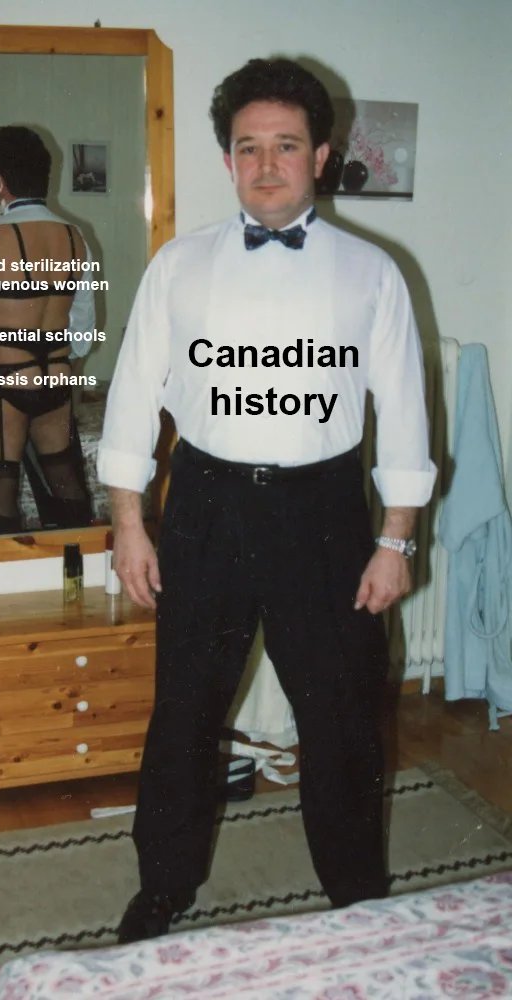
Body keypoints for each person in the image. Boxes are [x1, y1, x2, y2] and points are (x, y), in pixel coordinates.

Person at [97, 58, 436, 943]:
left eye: (286, 145)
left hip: (324, 515)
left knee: (343, 719)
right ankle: (163, 887)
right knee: (184, 712)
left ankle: (355, 893)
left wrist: (396, 541)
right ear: (228, 161)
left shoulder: (373, 273)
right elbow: (132, 400)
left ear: (320, 156)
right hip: (206, 507)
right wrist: (129, 523)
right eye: (248, 147)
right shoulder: (178, 266)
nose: (266, 164)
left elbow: (405, 414)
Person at [0, 125, 94, 534]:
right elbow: (83, 325)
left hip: (2, 382)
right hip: (55, 379)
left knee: (0, 485)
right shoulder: (74, 237)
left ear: (0, 181)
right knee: (65, 481)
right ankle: (74, 561)